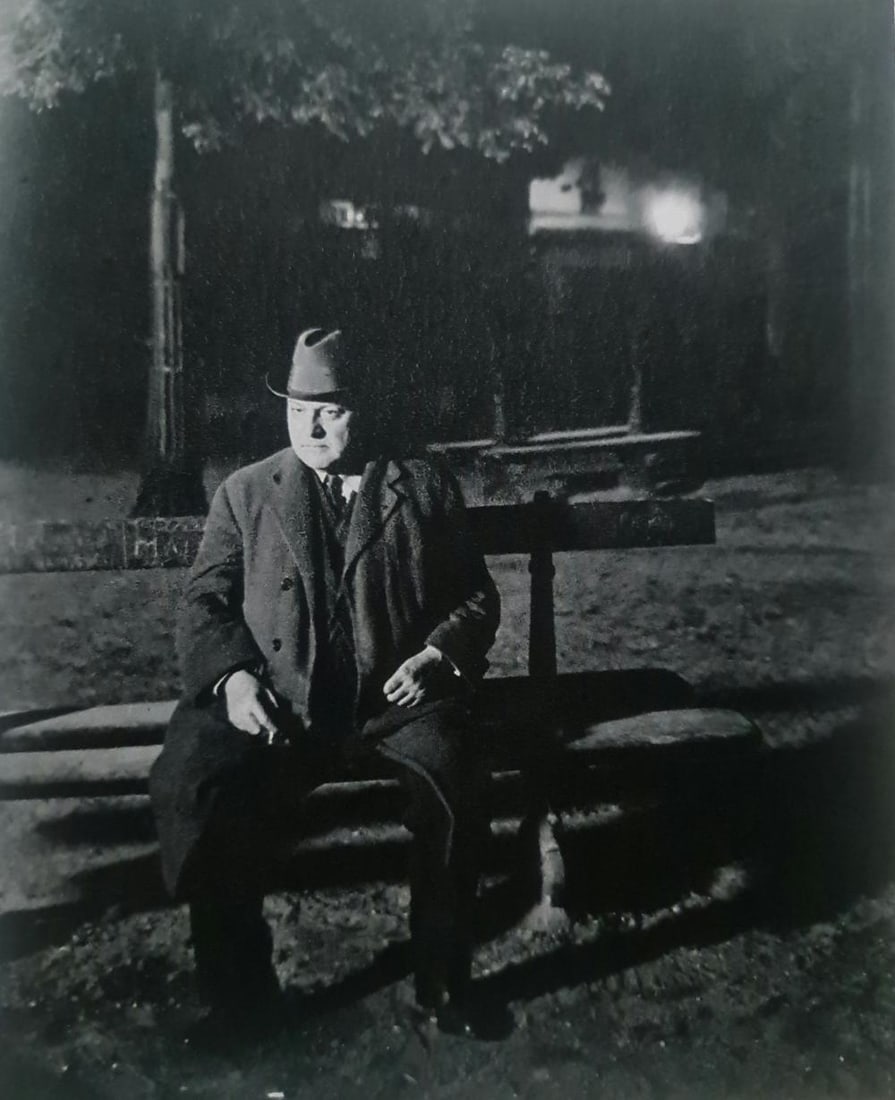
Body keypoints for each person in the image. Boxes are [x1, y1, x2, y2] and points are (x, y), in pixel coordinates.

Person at [149, 327, 501, 1044]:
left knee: (456, 784)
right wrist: (235, 680)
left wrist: (437, 655)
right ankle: (240, 999)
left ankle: (443, 983)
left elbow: (475, 595)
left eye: (330, 412)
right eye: (297, 410)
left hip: (393, 703)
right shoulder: (247, 493)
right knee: (200, 783)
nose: (309, 428)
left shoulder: (421, 484)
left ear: (362, 410)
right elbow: (204, 602)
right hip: (281, 701)